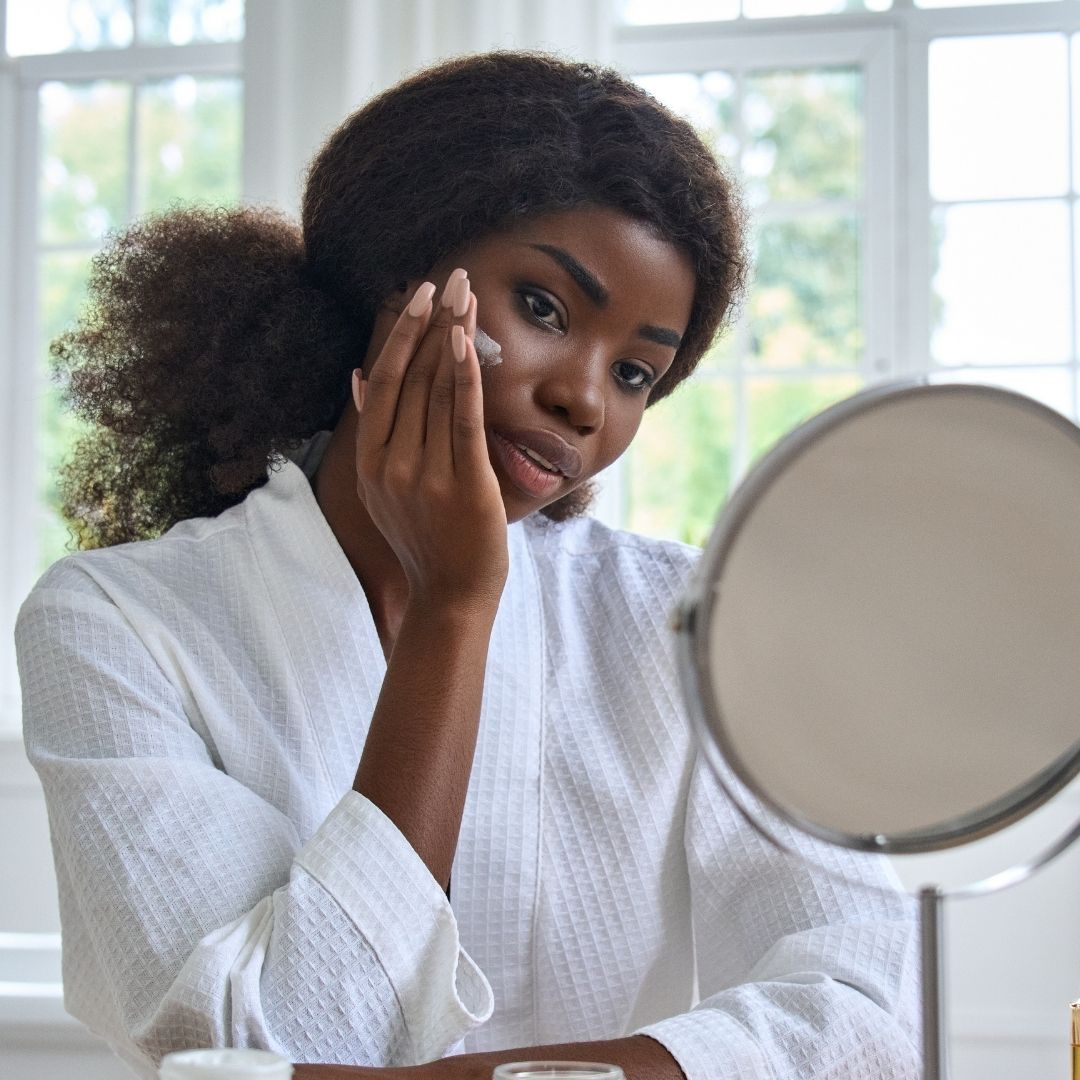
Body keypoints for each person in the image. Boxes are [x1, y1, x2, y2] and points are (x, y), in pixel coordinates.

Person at [16, 50, 919, 1080]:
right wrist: (454, 611)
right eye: (542, 307)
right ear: (394, 279)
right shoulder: (117, 622)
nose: (586, 399)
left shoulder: (682, 618)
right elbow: (271, 1043)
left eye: (635, 372)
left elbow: (865, 1014)